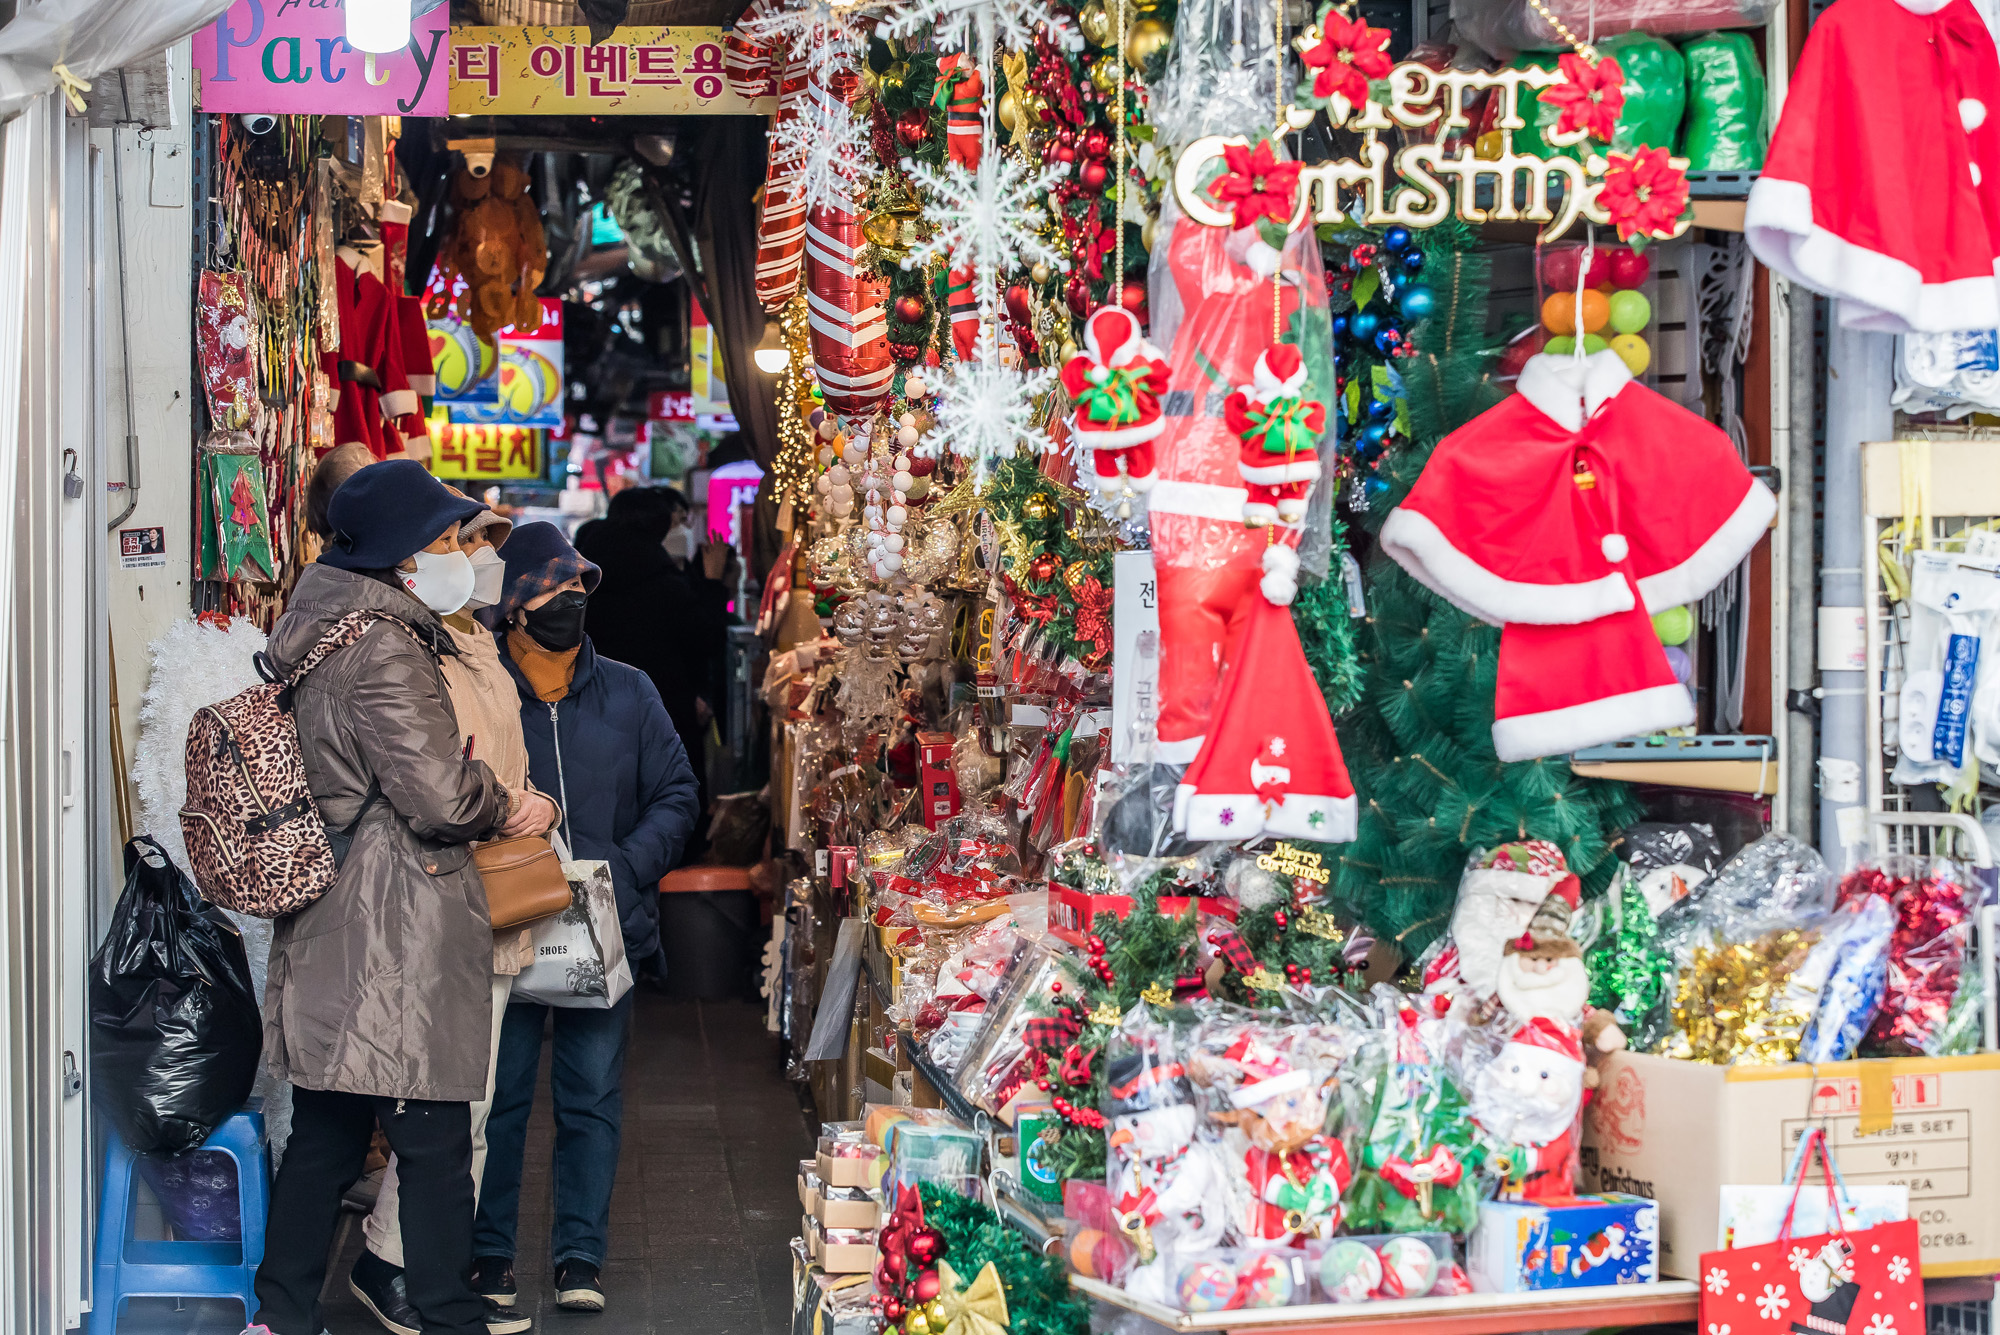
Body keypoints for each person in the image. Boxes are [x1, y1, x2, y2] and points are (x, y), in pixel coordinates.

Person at [249, 460, 556, 1335]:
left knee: (327, 1134)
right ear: (396, 553)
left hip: (345, 917)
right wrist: (505, 798)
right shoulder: (382, 644)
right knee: (430, 1142)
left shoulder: (334, 626)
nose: (460, 554)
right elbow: (439, 796)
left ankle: (278, 1315)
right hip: (393, 924)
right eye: (446, 539)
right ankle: (449, 1315)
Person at [473, 523, 701, 1315]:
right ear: (511, 607)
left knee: (591, 1097)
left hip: (605, 933)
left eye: (577, 588)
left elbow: (679, 793)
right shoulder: (483, 691)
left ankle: (579, 1257)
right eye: (548, 590)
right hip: (505, 928)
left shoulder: (630, 691)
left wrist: (625, 873)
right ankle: (489, 1255)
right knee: (495, 1098)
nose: (568, 602)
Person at [348, 497, 555, 1335]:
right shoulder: (417, 653)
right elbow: (445, 779)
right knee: (448, 1112)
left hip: (491, 897)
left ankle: (417, 1267)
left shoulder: (474, 642)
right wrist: (511, 805)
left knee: (464, 1105)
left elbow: (505, 754)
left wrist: (529, 797)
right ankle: (392, 1263)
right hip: (444, 895)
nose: (480, 561)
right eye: (467, 542)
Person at [572, 486, 730, 782]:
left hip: (598, 718)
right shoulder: (664, 585)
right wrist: (713, 584)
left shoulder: (585, 581)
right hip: (664, 715)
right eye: (674, 522)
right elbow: (707, 638)